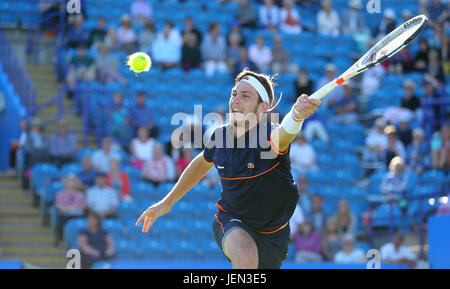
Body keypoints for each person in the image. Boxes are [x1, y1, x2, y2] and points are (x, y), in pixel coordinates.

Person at [136, 68, 321, 269]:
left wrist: (296, 115)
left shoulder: (270, 135)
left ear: (262, 107)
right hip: (232, 219)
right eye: (234, 94)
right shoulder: (219, 138)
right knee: (245, 252)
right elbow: (200, 163)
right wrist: (167, 202)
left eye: (245, 96)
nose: (235, 100)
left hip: (273, 236)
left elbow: (285, 134)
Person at [55, 174, 86, 243]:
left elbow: (83, 206)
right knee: (62, 220)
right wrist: (68, 208)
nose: (71, 183)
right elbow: (58, 205)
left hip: (77, 214)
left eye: (72, 181)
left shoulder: (80, 194)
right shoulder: (60, 194)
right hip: (65, 215)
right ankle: (61, 239)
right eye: (69, 181)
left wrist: (73, 208)